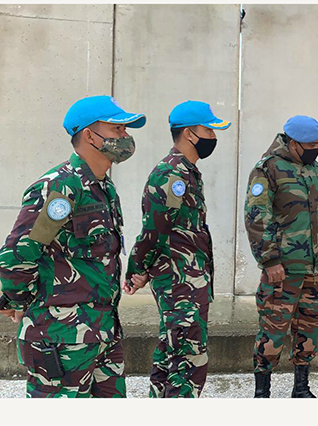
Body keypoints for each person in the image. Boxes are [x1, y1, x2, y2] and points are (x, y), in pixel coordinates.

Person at [0, 95, 146, 397]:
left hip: (103, 333)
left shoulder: (104, 187)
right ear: (90, 135)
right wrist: (17, 302)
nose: (125, 136)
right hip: (61, 337)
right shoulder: (61, 187)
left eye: (125, 130)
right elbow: (19, 254)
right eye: (117, 129)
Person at [124, 100, 230, 398]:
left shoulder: (187, 172)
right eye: (208, 130)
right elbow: (154, 230)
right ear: (188, 134)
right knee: (189, 358)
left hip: (186, 278)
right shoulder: (172, 175)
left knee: (172, 350)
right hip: (178, 281)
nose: (213, 137)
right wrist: (137, 269)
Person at [244, 115, 318, 398]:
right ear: (292, 143)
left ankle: (301, 388)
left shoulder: (315, 169)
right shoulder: (267, 169)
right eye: (310, 145)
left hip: (314, 268)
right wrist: (270, 260)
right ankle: (262, 393)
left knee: (309, 330)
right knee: (272, 331)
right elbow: (257, 217)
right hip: (283, 270)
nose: (315, 149)